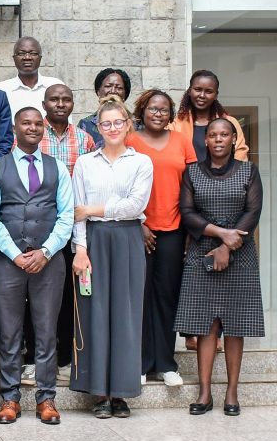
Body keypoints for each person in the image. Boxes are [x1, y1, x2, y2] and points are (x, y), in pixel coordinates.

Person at [0, 109, 74, 425]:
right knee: (10, 333)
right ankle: (10, 398)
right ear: (15, 128)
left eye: (38, 123)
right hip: (8, 261)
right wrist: (14, 254)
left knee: (47, 332)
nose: (33, 127)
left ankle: (46, 398)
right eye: (26, 123)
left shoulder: (57, 168)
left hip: (49, 262)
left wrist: (46, 251)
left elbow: (66, 215)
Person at [175, 118, 264, 417]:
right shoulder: (192, 172)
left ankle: (231, 392)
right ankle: (204, 392)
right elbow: (187, 212)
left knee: (236, 325)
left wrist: (227, 246)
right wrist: (220, 234)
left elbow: (253, 211)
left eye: (224, 134)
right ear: (205, 140)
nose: (218, 139)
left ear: (233, 139)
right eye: (212, 135)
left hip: (241, 254)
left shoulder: (249, 171)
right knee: (206, 325)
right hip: (201, 252)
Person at [71, 99, 153, 417]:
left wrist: (94, 209)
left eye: (118, 122)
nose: (113, 128)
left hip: (128, 239)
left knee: (126, 314)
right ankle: (100, 393)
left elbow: (134, 206)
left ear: (128, 124)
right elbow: (77, 210)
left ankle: (121, 392)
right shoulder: (85, 163)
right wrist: (80, 249)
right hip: (94, 240)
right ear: (98, 127)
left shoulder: (141, 162)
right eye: (106, 123)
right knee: (96, 312)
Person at [126, 90, 197, 387]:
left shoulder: (181, 141)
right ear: (142, 111)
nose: (158, 113)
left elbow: (191, 186)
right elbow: (122, 187)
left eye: (164, 109)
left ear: (171, 114)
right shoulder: (129, 141)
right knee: (139, 298)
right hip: (137, 228)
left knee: (167, 296)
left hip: (174, 229)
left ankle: (166, 364)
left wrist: (191, 229)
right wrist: (140, 223)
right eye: (153, 108)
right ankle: (141, 364)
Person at [40, 84, 95, 379]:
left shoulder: (84, 139)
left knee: (67, 296)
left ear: (73, 104)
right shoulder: (33, 133)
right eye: (54, 99)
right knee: (39, 296)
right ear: (44, 103)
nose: (60, 104)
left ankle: (65, 357)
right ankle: (37, 357)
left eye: (66, 99)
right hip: (40, 226)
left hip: (74, 226)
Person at [171, 69, 249, 163]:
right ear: (190, 91)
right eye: (198, 89)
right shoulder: (175, 125)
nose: (202, 95)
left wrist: (230, 172)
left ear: (216, 95)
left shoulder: (230, 123)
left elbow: (240, 154)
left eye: (208, 91)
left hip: (225, 173)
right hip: (187, 173)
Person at [0, 36, 65, 119]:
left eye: (33, 53)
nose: (27, 57)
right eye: (21, 53)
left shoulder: (55, 86)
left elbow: (66, 123)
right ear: (14, 58)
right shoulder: (1, 90)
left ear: (40, 58)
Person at [78, 68, 131, 148]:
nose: (113, 91)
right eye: (108, 86)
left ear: (125, 94)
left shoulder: (136, 124)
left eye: (119, 88)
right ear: (98, 91)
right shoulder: (85, 125)